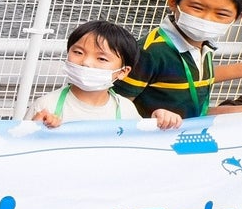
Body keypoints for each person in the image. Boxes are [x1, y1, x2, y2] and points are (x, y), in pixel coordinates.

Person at [28, 20, 182, 128]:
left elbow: (138, 144)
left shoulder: (125, 109)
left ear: (123, 72)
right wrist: (37, 127)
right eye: (78, 52)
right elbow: (20, 147)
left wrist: (160, 121)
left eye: (101, 58)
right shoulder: (46, 106)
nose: (86, 62)